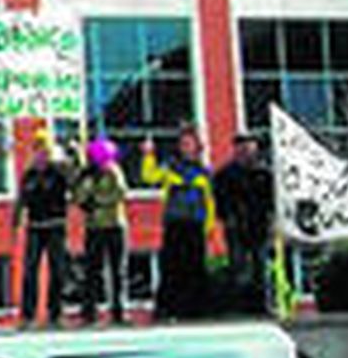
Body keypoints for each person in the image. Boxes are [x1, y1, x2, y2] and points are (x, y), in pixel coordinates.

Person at [144, 124, 217, 322]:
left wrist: (209, 227)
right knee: (171, 268)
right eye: (183, 144)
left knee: (195, 269)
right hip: (175, 224)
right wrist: (148, 155)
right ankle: (167, 310)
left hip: (195, 225)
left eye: (189, 144)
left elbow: (210, 202)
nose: (186, 147)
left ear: (197, 147)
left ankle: (196, 310)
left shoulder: (204, 172)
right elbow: (149, 177)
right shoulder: (170, 167)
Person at [13, 130, 72, 330]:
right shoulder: (29, 175)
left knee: (58, 271)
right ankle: (27, 316)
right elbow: (21, 198)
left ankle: (55, 314)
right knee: (30, 271)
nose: (41, 155)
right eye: (38, 150)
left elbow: (74, 180)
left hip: (56, 225)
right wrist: (16, 219)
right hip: (35, 227)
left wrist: (74, 155)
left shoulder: (59, 172)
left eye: (45, 151)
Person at [214, 132, 274, 316]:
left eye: (249, 146)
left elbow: (271, 201)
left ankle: (263, 306)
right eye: (241, 146)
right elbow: (219, 199)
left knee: (260, 269)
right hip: (236, 227)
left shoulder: (265, 173)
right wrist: (226, 218)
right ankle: (238, 307)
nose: (245, 150)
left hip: (259, 226)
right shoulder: (225, 174)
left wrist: (271, 221)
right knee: (238, 268)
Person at [73, 136, 129, 325]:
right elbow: (78, 197)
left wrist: (97, 201)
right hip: (94, 227)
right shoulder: (86, 175)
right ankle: (89, 311)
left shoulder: (114, 172)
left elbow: (120, 193)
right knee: (92, 270)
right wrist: (85, 192)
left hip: (114, 225)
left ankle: (118, 310)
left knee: (117, 270)